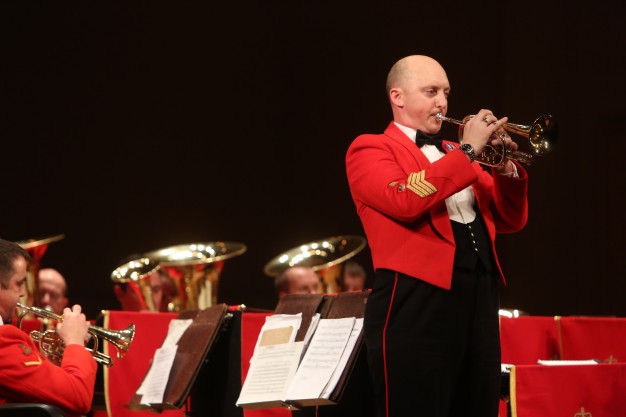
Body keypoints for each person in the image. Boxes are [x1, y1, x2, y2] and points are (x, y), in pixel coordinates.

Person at [345, 55, 528, 417]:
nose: (442, 102)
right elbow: (405, 200)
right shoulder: (370, 148)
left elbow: (509, 219)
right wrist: (469, 152)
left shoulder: (452, 153)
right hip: (415, 301)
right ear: (397, 96)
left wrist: (505, 165)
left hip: (479, 297)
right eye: (430, 92)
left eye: (446, 92)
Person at [0, 238, 97, 417]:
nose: (23, 293)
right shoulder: (3, 342)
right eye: (19, 283)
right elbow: (79, 397)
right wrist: (75, 341)